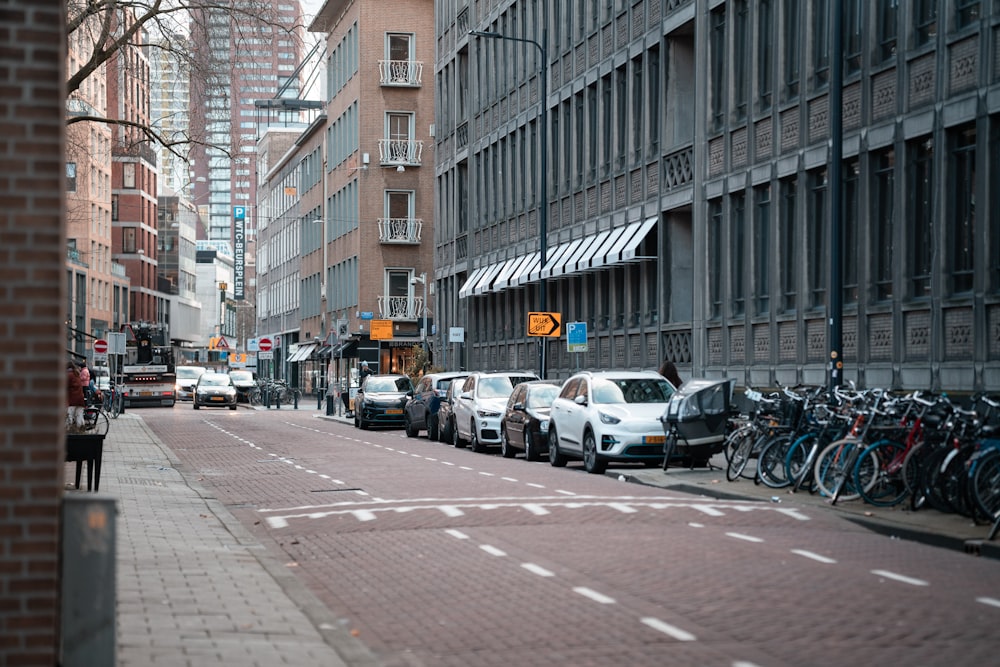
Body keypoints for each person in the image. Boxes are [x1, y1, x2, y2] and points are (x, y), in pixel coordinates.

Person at [66, 362, 87, 431]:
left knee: (69, 416)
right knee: (79, 417)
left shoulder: (69, 375)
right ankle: (81, 433)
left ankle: (68, 432)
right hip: (80, 399)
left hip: (72, 400)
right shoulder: (76, 374)